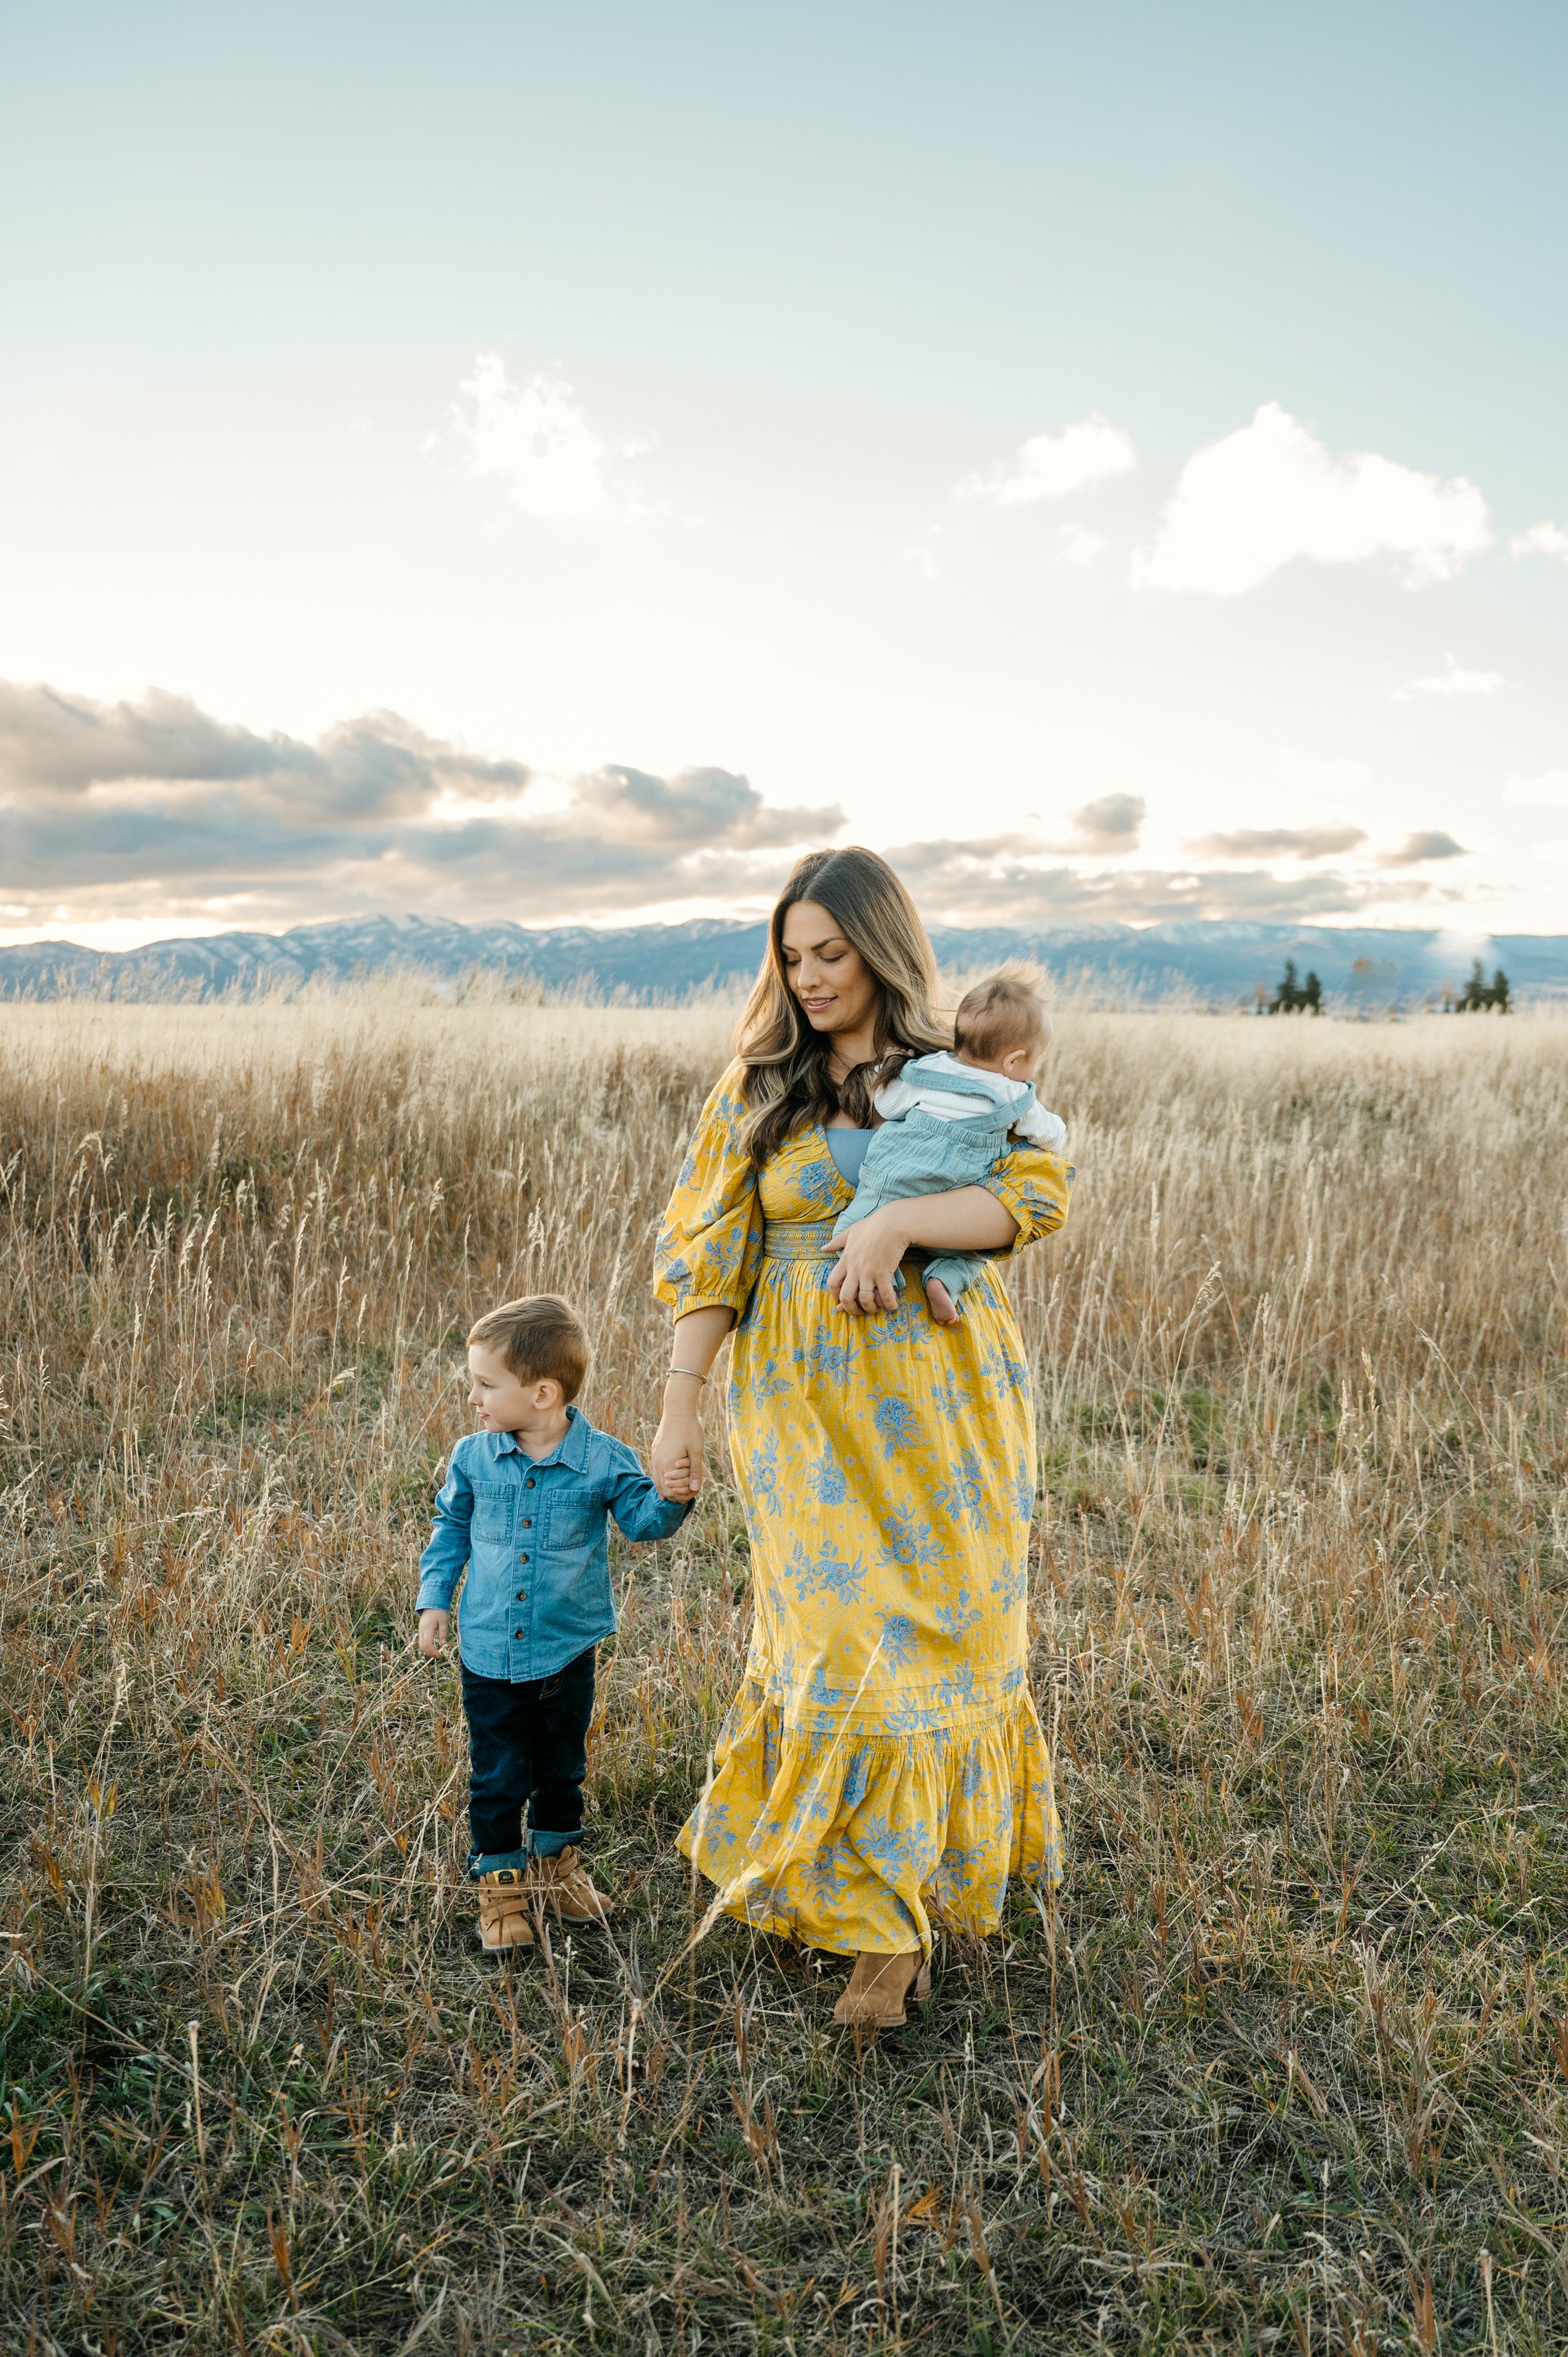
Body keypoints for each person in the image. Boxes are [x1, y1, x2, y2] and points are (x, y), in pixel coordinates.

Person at [651, 847, 1073, 2031]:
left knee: (942, 1631)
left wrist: (893, 1221)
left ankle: (899, 1927)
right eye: (789, 956)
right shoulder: (754, 1085)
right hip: (798, 1403)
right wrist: (679, 1405)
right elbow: (707, 1252)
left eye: (828, 952)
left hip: (946, 1398)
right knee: (839, 1638)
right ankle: (864, 1908)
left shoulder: (955, 1071)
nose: (808, 976)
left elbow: (1035, 1195)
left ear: (880, 946)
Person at [416, 1292, 691, 1953]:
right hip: (487, 1649)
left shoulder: (603, 1459)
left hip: (567, 1649)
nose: (475, 1398)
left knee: (562, 1767)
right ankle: (500, 1885)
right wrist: (434, 1601)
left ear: (543, 1392)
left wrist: (675, 1496)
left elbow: (643, 1523)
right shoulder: (474, 1458)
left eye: (486, 1384)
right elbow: (449, 1528)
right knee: (498, 1772)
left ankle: (556, 1866)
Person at [835, 964, 1066, 1325]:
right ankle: (946, 1278)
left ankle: (879, 1281)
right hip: (956, 1193)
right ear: (1013, 1060)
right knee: (972, 1254)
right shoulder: (1011, 1094)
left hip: (894, 1180)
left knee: (853, 1228)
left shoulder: (926, 1070)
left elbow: (887, 1107)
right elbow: (1050, 1136)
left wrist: (889, 1070)